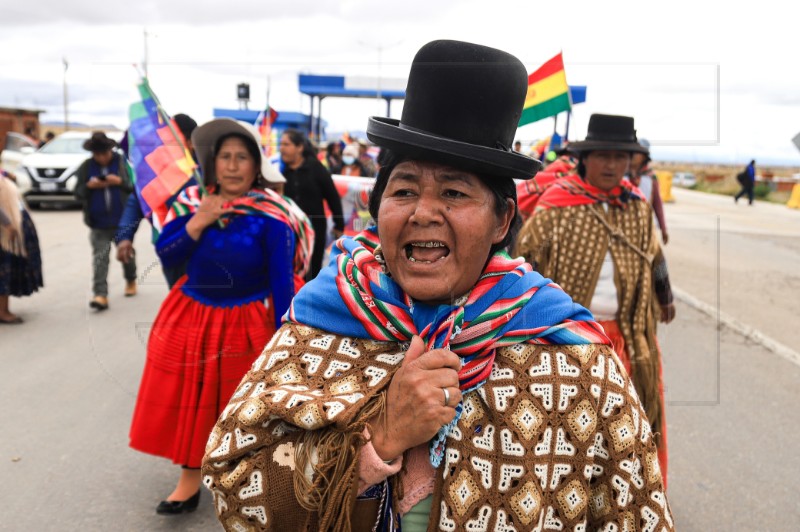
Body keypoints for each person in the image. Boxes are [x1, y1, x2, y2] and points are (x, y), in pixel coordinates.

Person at [202, 41, 673, 531]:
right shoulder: (319, 325)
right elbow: (235, 486)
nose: (423, 212)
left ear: (501, 221)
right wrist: (380, 439)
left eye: (453, 192)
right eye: (403, 190)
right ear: (377, 208)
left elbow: (635, 514)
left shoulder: (577, 363)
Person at [128, 118, 298, 515]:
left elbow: (282, 282)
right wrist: (200, 220)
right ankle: (189, 481)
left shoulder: (274, 216)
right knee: (192, 399)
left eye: (243, 158)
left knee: (242, 404)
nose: (234, 165)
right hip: (192, 316)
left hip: (248, 321)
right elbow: (167, 254)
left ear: (257, 167)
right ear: (212, 163)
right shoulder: (190, 204)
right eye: (225, 157)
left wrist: (285, 341)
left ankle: (247, 480)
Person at [515, 113, 675, 487]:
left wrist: (664, 296)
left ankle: (625, 495)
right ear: (586, 158)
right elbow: (525, 260)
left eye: (620, 157)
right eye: (603, 155)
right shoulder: (556, 203)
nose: (612, 165)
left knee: (629, 426)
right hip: (569, 339)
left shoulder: (636, 205)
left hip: (628, 340)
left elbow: (655, 256)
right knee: (570, 427)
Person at [115, 113, 198, 288]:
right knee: (178, 297)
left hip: (203, 249)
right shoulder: (156, 173)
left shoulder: (208, 170)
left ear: (191, 143)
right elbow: (136, 202)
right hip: (169, 248)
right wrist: (125, 237)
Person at [73, 131, 137, 310]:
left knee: (126, 254)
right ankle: (100, 295)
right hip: (98, 222)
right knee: (100, 259)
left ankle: (131, 279)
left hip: (122, 221)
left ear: (110, 150)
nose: (101, 158)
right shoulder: (86, 167)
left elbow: (135, 187)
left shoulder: (123, 164)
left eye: (104, 153)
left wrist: (119, 182)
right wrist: (89, 186)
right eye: (97, 154)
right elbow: (77, 193)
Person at [279, 129, 345, 279]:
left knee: (312, 271)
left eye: (286, 144)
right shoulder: (282, 172)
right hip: (290, 231)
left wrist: (339, 225)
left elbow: (332, 197)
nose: (281, 148)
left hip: (315, 231)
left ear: (299, 147)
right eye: (281, 144)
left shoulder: (316, 168)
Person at [0, 169, 43, 323]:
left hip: (12, 225)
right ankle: (2, 311)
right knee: (4, 270)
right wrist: (7, 223)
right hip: (5, 231)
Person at [629, 139, 669, 244]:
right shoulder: (620, 175)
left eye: (637, 153)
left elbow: (657, 203)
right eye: (632, 152)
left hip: (645, 228)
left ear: (644, 157)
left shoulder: (650, 177)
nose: (634, 155)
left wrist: (663, 228)